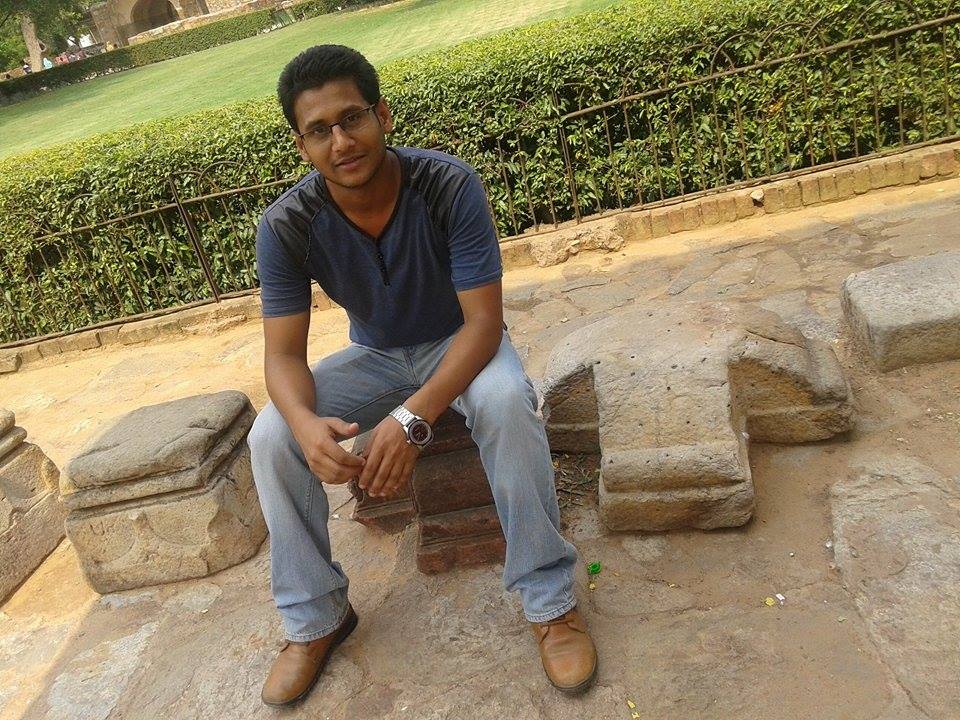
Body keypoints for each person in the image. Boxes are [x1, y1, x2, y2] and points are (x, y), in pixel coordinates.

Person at [249, 44, 599, 707]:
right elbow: (283, 357)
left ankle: (550, 602)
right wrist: (304, 422)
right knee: (270, 436)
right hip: (377, 356)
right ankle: (316, 618)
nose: (341, 142)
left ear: (382, 115)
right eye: (319, 130)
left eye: (352, 118)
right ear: (302, 145)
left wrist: (412, 418)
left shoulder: (446, 184)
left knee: (505, 400)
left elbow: (484, 324)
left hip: (460, 342)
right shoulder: (287, 224)